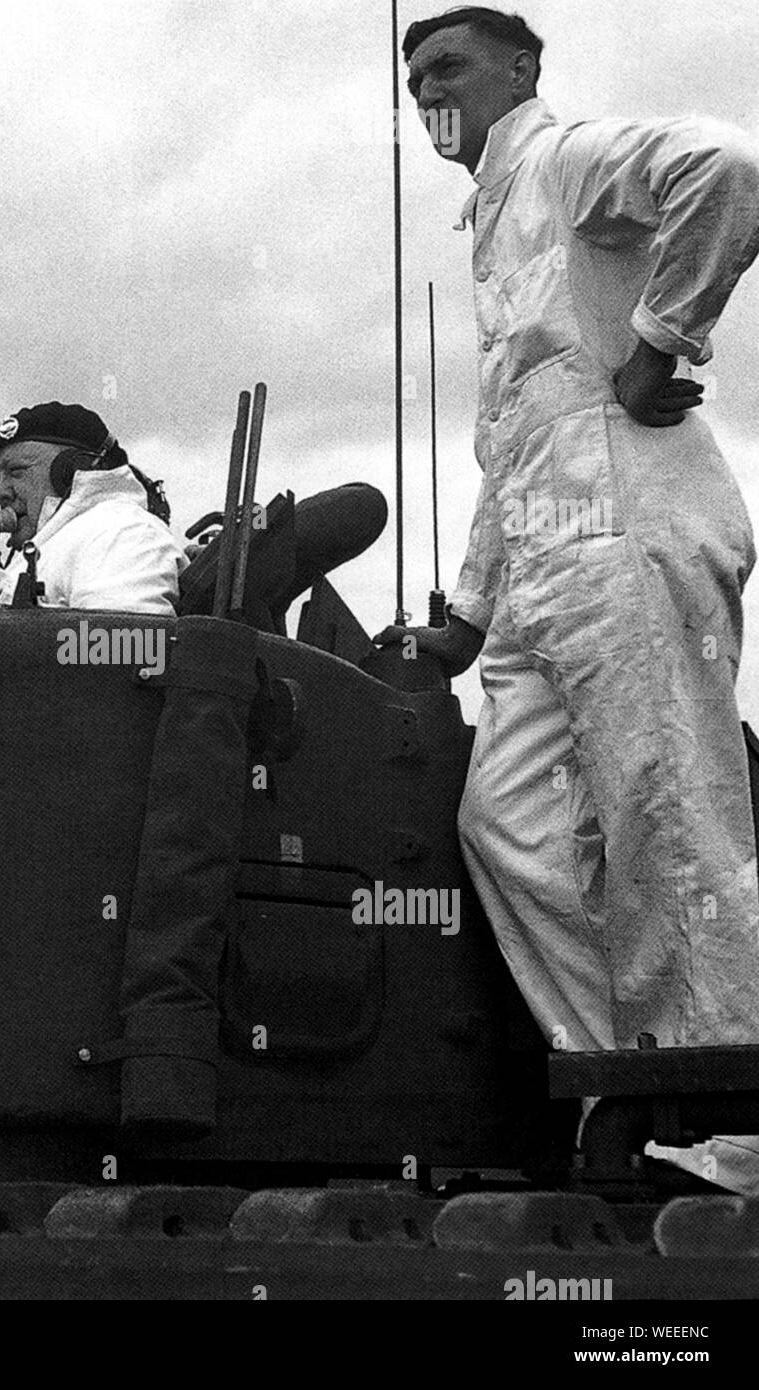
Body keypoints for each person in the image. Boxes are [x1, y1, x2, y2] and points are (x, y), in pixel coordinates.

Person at [376, 6, 759, 1192]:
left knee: (667, 808)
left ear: (521, 68)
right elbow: (515, 445)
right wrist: (468, 614)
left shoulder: (567, 158)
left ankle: (735, 1119)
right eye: (414, 77)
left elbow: (728, 166)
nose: (428, 89)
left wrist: (662, 340)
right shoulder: (492, 229)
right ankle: (634, 1084)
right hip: (542, 570)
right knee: (510, 823)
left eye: (449, 66)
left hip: (631, 526)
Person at [0, 401, 187, 615]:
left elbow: (126, 649)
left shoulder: (119, 532)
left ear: (70, 471)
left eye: (16, 471)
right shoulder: (48, 550)